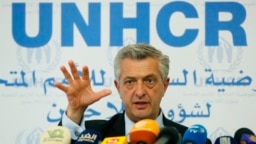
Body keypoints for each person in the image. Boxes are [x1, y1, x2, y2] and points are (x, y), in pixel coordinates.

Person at [55, 43, 211, 144]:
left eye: (149, 81)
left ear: (165, 86)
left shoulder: (190, 140)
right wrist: (75, 111)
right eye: (130, 82)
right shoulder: (92, 135)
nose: (140, 92)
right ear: (118, 87)